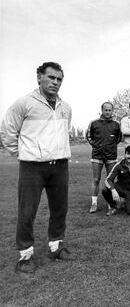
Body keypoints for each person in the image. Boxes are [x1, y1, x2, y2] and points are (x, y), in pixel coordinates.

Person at [0, 62, 72, 272]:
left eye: (59, 79)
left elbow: (62, 133)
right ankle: (25, 256)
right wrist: (24, 154)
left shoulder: (65, 107)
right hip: (32, 167)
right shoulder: (23, 103)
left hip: (60, 165)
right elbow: (8, 134)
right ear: (39, 77)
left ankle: (56, 247)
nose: (55, 82)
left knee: (60, 208)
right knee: (27, 211)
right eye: (51, 77)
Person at [87, 102, 122, 213]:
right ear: (102, 111)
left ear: (112, 111)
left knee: (109, 180)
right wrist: (97, 146)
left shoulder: (116, 124)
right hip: (97, 155)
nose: (108, 112)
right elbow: (88, 136)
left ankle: (110, 204)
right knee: (96, 179)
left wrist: (110, 147)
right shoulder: (94, 123)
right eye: (105, 110)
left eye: (110, 110)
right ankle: (94, 203)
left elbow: (119, 138)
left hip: (111, 155)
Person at [102, 145, 130, 216]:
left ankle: (124, 202)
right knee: (105, 190)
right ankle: (114, 206)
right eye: (128, 154)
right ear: (125, 154)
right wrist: (113, 190)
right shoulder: (119, 165)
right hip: (119, 188)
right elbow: (108, 180)